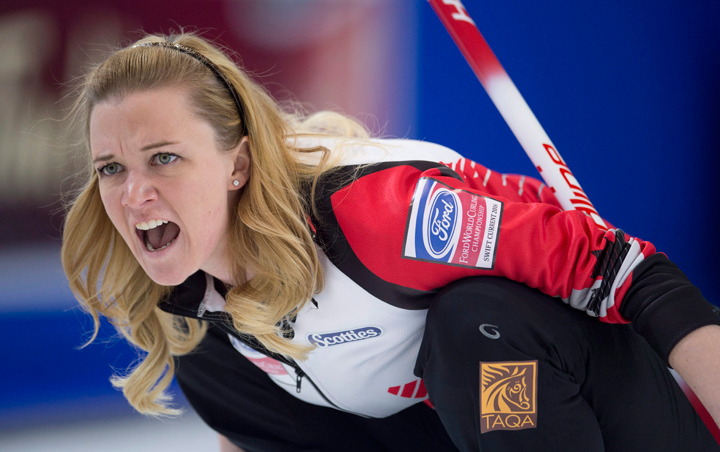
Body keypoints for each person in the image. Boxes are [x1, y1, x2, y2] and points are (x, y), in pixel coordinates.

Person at [61, 32, 720, 451]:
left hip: (584, 404)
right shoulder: (193, 307)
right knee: (206, 357)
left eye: (165, 158)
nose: (133, 195)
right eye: (111, 168)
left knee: (479, 327)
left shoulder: (376, 215)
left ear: (238, 164)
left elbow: (636, 274)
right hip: (459, 429)